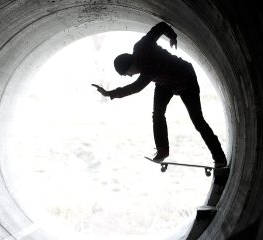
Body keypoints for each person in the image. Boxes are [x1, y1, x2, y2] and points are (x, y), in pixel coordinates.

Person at [92, 22, 227, 168]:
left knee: (197, 120)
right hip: (164, 84)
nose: (130, 76)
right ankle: (162, 150)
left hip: (185, 78)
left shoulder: (145, 57)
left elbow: (136, 87)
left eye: (128, 74)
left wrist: (110, 93)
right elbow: (161, 28)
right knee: (157, 114)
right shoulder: (140, 47)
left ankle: (219, 158)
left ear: (130, 65)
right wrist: (172, 36)